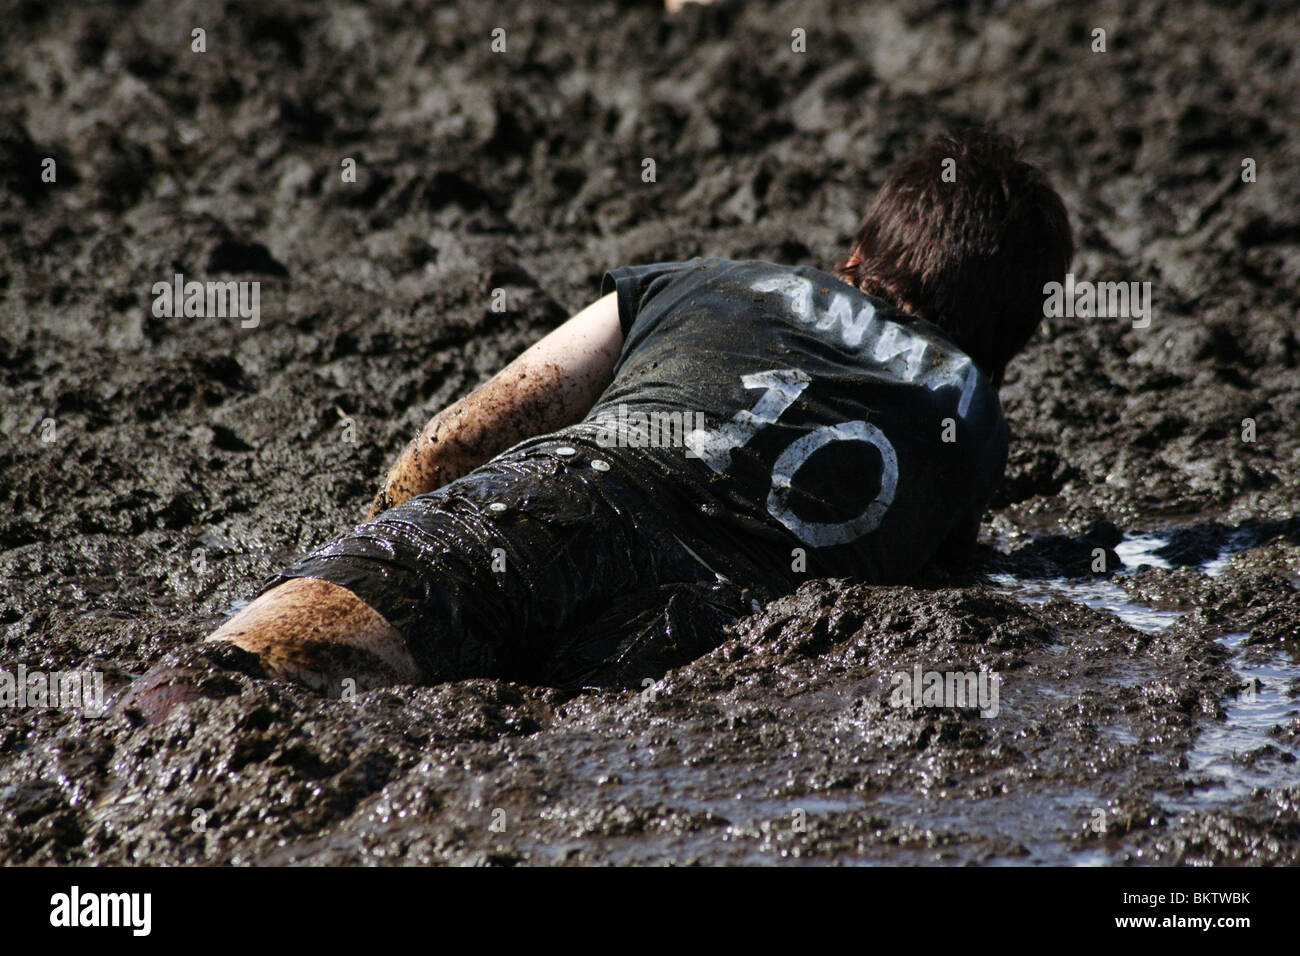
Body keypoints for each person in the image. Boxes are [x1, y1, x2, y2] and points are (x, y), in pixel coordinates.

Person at [189, 127, 1072, 700]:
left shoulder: (713, 278)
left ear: (855, 251)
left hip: (554, 508)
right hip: (723, 627)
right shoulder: (972, 411)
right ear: (1011, 339)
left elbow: (465, 434)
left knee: (218, 693)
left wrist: (391, 534)